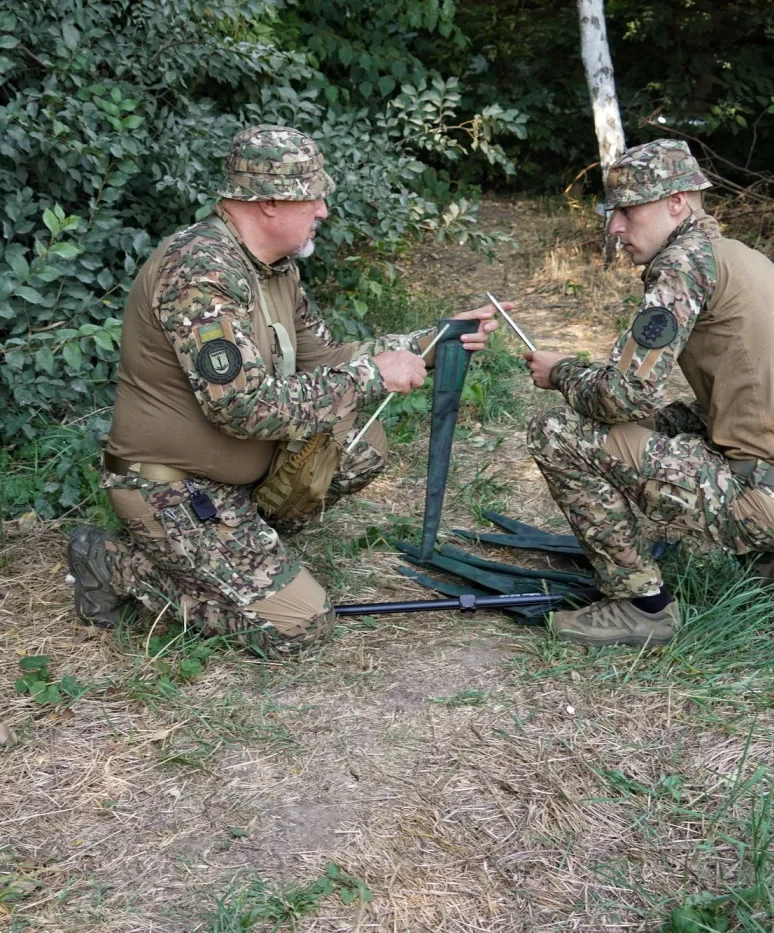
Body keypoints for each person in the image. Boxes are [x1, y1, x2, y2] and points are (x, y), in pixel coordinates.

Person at [66, 124, 501, 656]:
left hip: (236, 475)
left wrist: (431, 342)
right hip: (172, 488)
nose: (323, 210)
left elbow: (326, 359)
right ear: (269, 201)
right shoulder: (200, 271)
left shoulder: (275, 270)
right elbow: (242, 407)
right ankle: (112, 562)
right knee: (298, 627)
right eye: (313, 196)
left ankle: (246, 549)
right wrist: (373, 374)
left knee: (361, 442)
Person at [521, 139, 774, 649]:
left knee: (556, 430)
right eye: (612, 212)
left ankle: (640, 607)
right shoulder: (736, 256)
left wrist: (562, 372)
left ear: (677, 203)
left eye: (627, 211)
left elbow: (624, 396)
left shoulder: (684, 263)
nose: (615, 228)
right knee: (670, 420)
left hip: (769, 498)